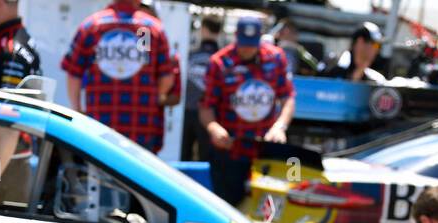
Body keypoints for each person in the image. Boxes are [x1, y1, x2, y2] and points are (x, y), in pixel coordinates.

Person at [199, 15, 295, 208]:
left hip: (264, 153)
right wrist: (214, 128)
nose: (247, 49)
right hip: (229, 153)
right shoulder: (219, 63)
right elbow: (206, 107)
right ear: (235, 37)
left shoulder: (276, 59)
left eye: (252, 44)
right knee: (228, 210)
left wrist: (280, 126)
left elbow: (288, 98)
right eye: (244, 44)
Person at [60, 0, 176, 153]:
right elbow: (166, 79)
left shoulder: (91, 26)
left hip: (99, 129)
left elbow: (74, 73)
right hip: (141, 128)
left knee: (99, 176)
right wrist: (152, 96)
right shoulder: (148, 29)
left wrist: (78, 110)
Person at [181, 12, 221, 160]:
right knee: (207, 157)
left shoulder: (189, 55)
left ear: (203, 28)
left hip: (189, 111)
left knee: (184, 155)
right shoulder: (223, 58)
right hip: (212, 115)